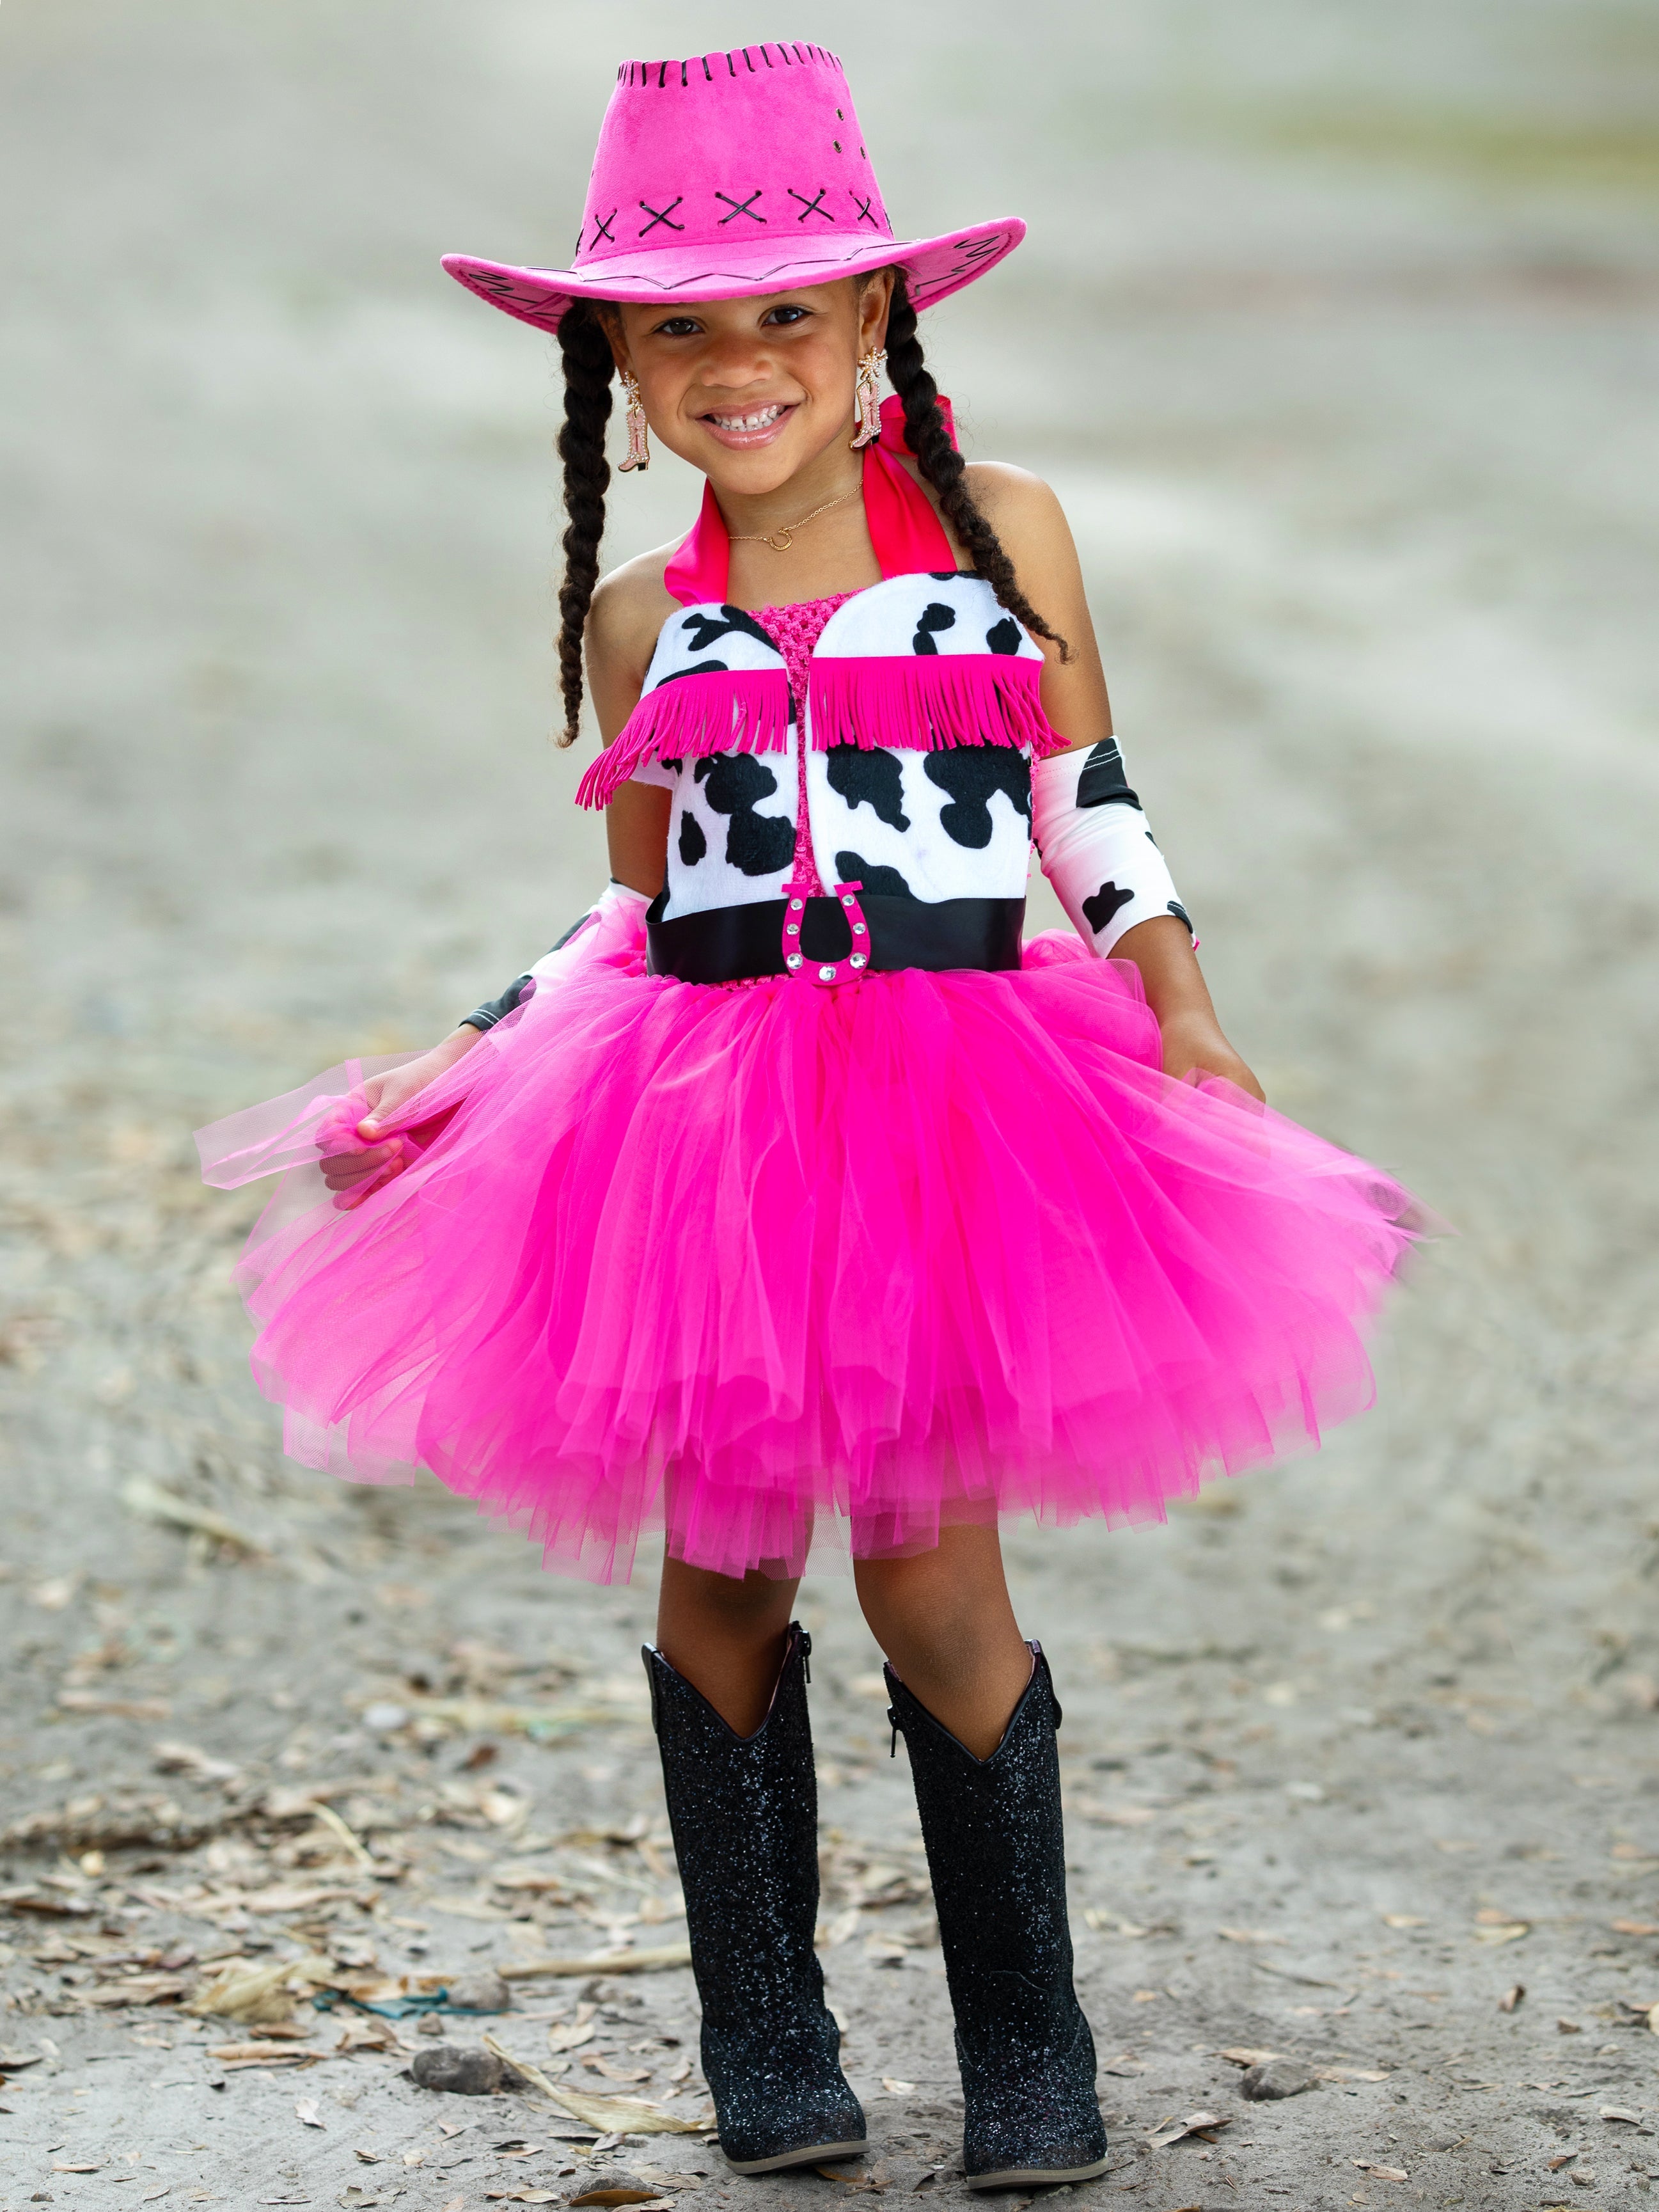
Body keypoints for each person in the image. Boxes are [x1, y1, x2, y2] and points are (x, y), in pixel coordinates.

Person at [197, 42, 1419, 2192]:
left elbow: (1080, 801)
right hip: (708, 1126)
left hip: (962, 1100)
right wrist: (464, 1056)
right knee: (727, 1566)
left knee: (933, 1572)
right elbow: (634, 917)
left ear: (875, 322)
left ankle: (1028, 2055)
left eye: (786, 314)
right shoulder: (637, 619)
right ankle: (770, 2036)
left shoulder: (993, 527)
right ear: (619, 364)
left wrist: (1186, 1006)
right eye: (680, 331)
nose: (735, 364)